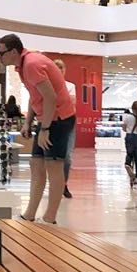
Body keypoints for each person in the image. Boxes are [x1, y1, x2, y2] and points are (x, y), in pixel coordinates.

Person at [0, 34, 76, 225]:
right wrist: (28, 123)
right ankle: (29, 214)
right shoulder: (24, 65)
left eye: (1, 53)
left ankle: (50, 218)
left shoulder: (31, 64)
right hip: (47, 119)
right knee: (36, 164)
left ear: (13, 52)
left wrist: (45, 129)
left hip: (58, 119)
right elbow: (36, 97)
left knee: (54, 166)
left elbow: (50, 98)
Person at [53, 58, 75, 199]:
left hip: (67, 123)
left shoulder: (70, 86)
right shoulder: (47, 85)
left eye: (61, 68)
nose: (59, 71)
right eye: (56, 68)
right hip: (51, 122)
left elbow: (72, 102)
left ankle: (63, 184)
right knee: (51, 158)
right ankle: (55, 185)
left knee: (66, 157)